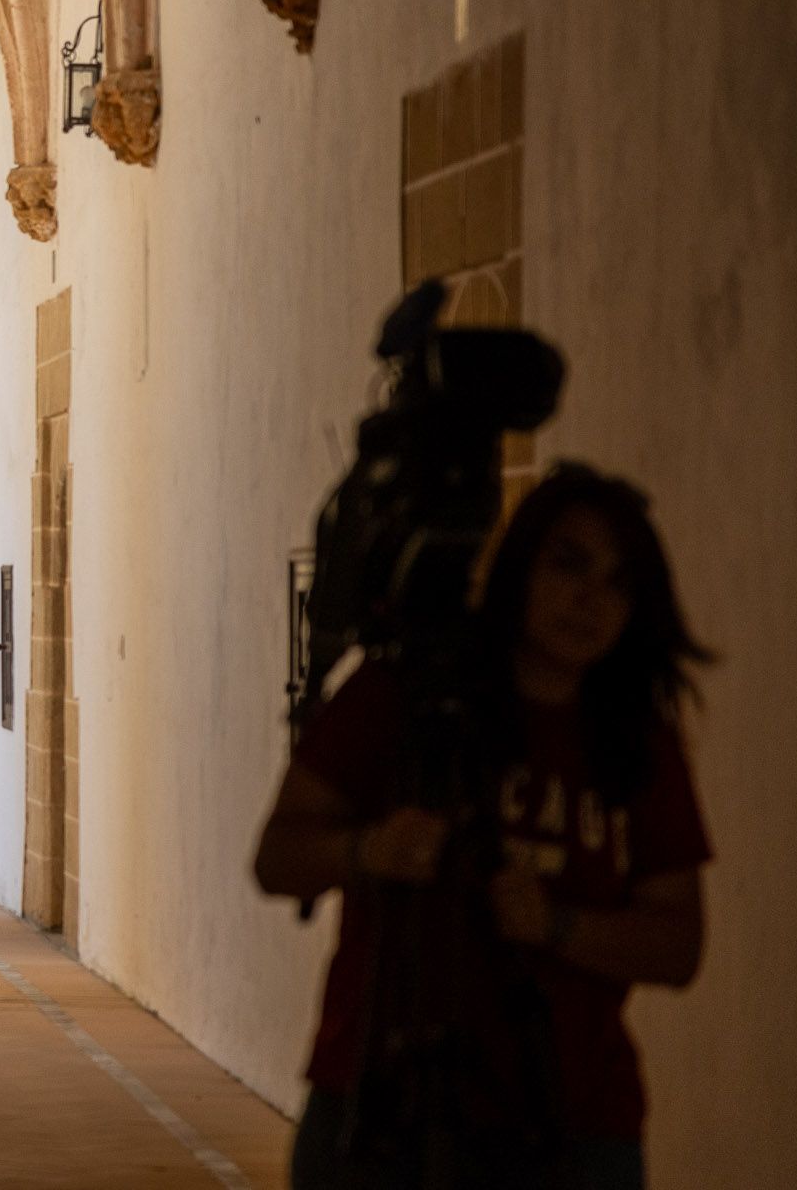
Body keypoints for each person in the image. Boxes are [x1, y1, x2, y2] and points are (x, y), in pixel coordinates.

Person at [254, 465, 715, 1190]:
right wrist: (368, 851)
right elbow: (278, 858)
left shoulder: (636, 740)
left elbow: (678, 943)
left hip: (571, 1125)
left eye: (618, 581)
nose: (590, 599)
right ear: (518, 566)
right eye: (568, 564)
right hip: (381, 1110)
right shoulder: (399, 694)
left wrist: (558, 925)